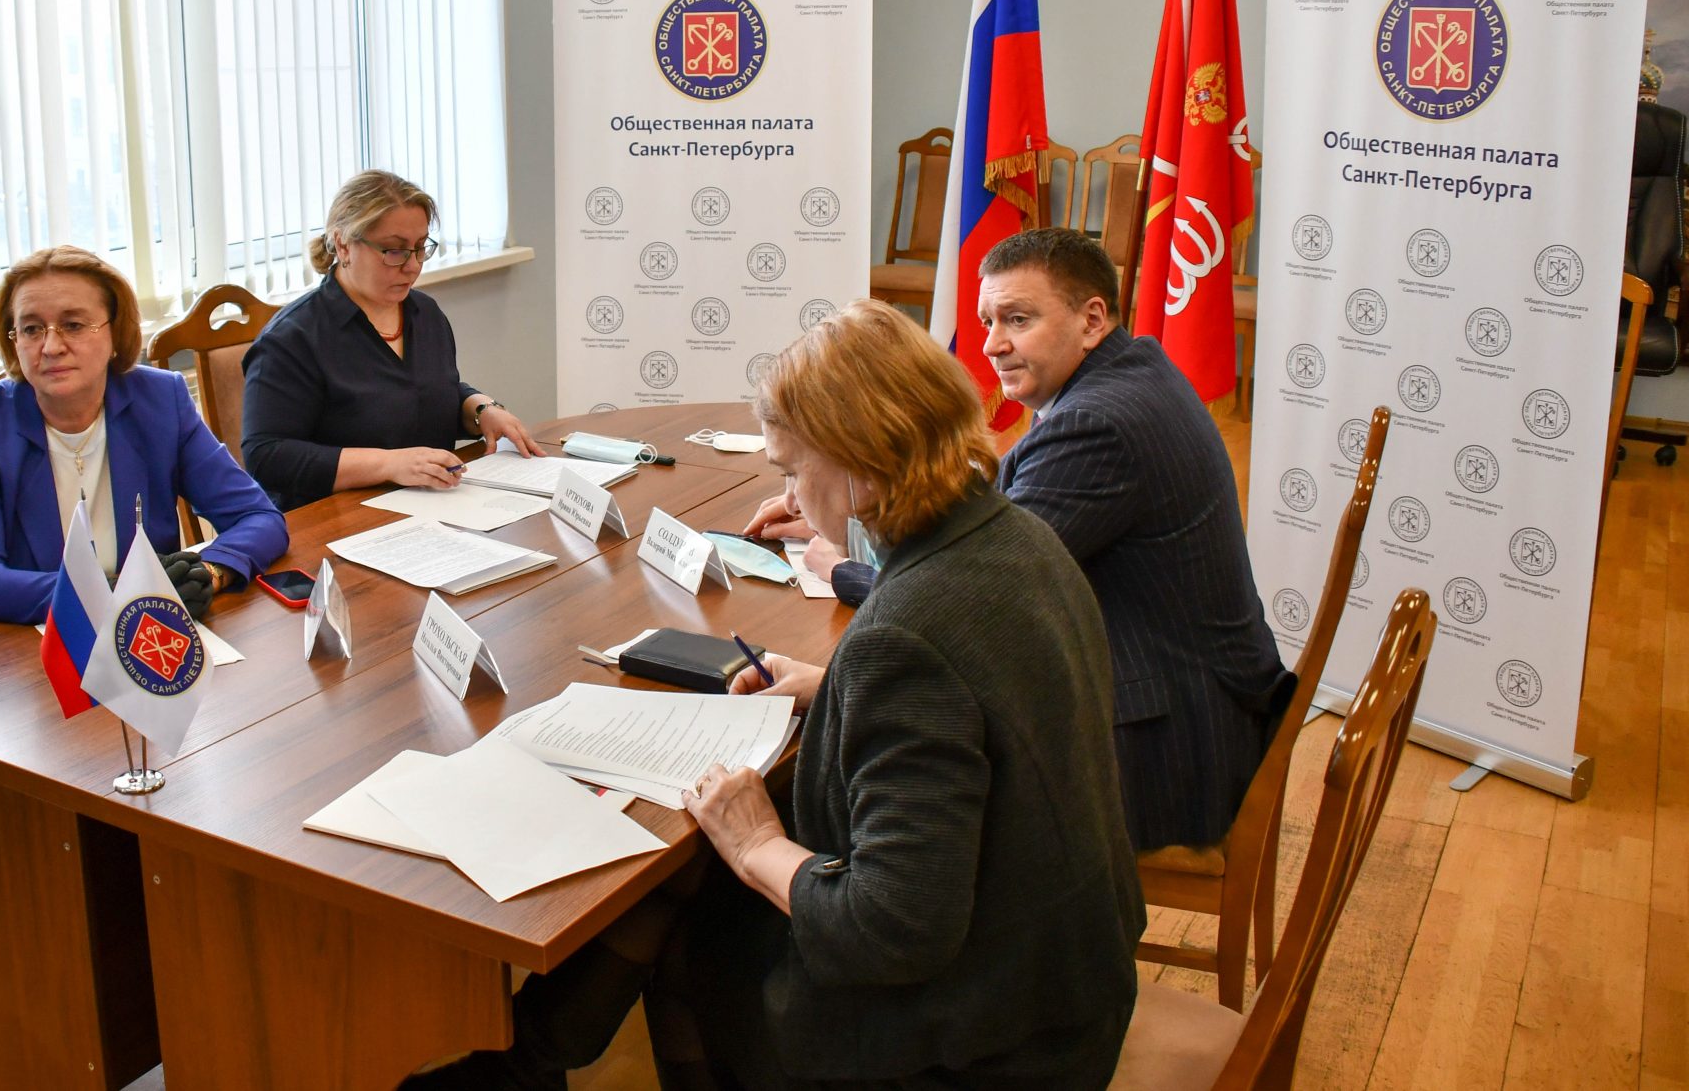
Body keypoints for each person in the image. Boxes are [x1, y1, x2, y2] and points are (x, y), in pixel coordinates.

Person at [416, 302, 1144, 1091]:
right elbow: (982, 693)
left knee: (701, 922)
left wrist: (757, 839)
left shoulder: (906, 636)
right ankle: (530, 1058)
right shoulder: (1016, 537)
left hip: (984, 1048)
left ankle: (523, 1059)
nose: (793, 494)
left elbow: (892, 931)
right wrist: (830, 687)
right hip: (1067, 979)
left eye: (795, 468)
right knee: (706, 879)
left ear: (862, 461)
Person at [747, 228, 1293, 852]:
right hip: (1189, 696)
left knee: (869, 790)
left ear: (1092, 320)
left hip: (1166, 742)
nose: (993, 344)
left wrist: (842, 563)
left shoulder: (1096, 425)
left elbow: (974, 596)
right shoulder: (1125, 373)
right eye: (987, 320)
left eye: (1018, 319)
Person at [0, 246, 288, 637]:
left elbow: (259, 517)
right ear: (13, 340)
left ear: (115, 333)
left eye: (73, 325)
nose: (51, 347)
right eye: (32, 329)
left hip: (137, 637)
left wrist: (209, 572)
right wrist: (120, 594)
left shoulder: (160, 402)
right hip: (11, 647)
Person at [242, 170, 542, 510]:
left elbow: (426, 392)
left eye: (420, 248)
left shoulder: (425, 313)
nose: (412, 266)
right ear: (343, 244)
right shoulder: (292, 338)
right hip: (335, 520)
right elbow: (266, 456)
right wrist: (389, 465)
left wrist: (482, 409)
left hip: (431, 506)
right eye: (394, 251)